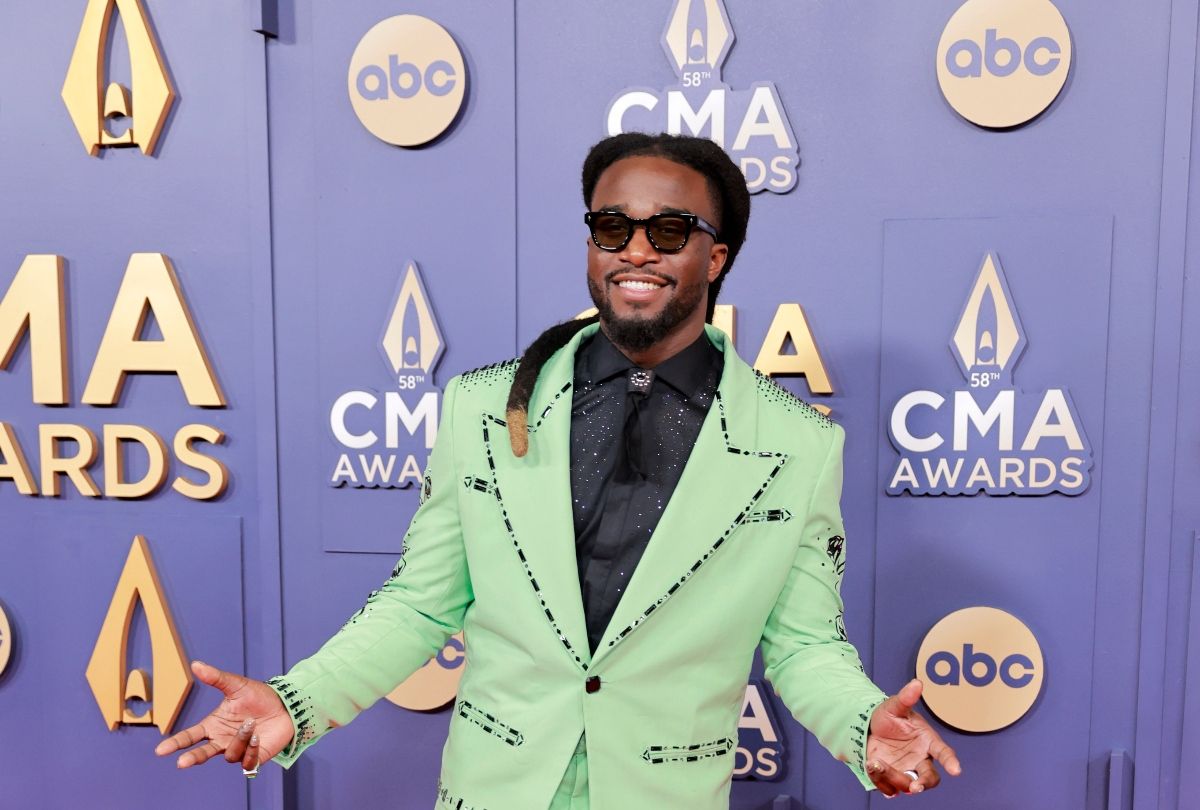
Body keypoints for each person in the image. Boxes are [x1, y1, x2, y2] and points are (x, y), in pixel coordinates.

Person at [155, 133, 961, 808]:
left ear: (717, 257)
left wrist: (864, 728)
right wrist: (297, 705)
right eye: (613, 227)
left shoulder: (797, 444)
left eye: (670, 231)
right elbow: (418, 605)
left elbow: (802, 647)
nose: (637, 250)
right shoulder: (479, 406)